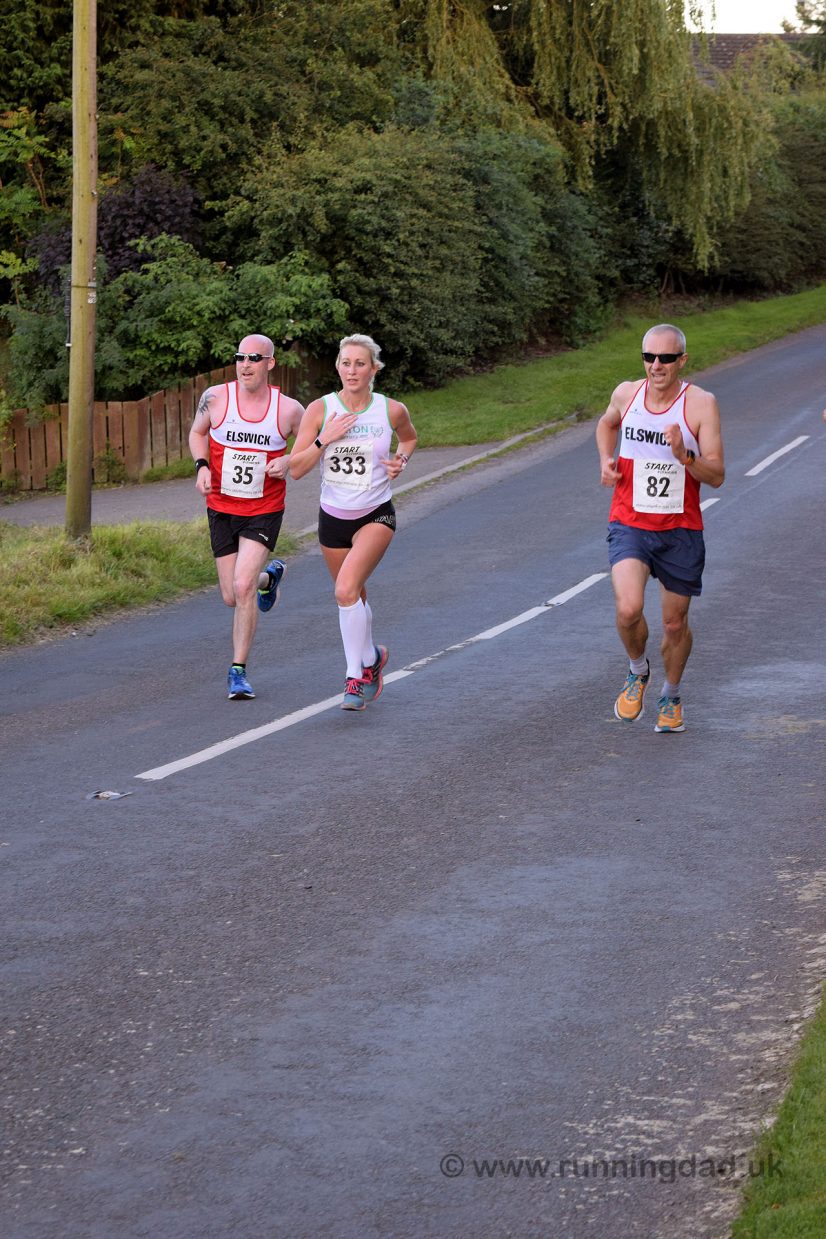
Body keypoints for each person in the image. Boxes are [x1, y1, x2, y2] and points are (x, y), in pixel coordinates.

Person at [595, 324, 725, 732]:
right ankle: (637, 671)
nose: (656, 365)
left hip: (680, 529)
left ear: (681, 361)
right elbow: (606, 423)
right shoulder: (626, 393)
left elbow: (717, 474)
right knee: (629, 608)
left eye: (666, 358)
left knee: (674, 624)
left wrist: (684, 455)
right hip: (629, 521)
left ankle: (671, 694)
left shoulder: (700, 404)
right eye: (649, 357)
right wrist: (605, 459)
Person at [289, 333, 417, 710]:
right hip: (332, 518)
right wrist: (322, 440)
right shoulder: (320, 410)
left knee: (345, 590)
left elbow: (409, 439)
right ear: (337, 367)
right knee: (354, 595)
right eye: (346, 363)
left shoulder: (390, 409)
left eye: (360, 363)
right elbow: (295, 470)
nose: (352, 370)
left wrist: (401, 461)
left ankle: (354, 676)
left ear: (373, 368)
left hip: (375, 513)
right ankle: (373, 657)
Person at [189, 334, 304, 699]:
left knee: (241, 588)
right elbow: (197, 432)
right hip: (221, 507)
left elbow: (306, 450)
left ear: (270, 363)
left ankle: (237, 671)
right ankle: (269, 580)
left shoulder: (288, 410)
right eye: (240, 357)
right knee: (230, 595)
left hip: (263, 509)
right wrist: (201, 466)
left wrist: (288, 461)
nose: (245, 364)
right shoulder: (216, 397)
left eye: (254, 358)